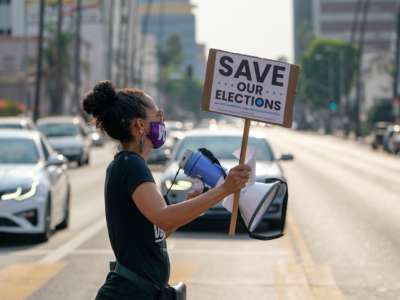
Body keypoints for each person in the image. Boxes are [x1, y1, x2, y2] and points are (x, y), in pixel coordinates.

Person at [82, 81, 251, 300]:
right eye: (158, 116)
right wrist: (226, 189)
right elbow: (164, 219)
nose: (163, 121)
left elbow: (156, 233)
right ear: (139, 126)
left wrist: (192, 205)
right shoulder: (131, 165)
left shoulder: (130, 163)